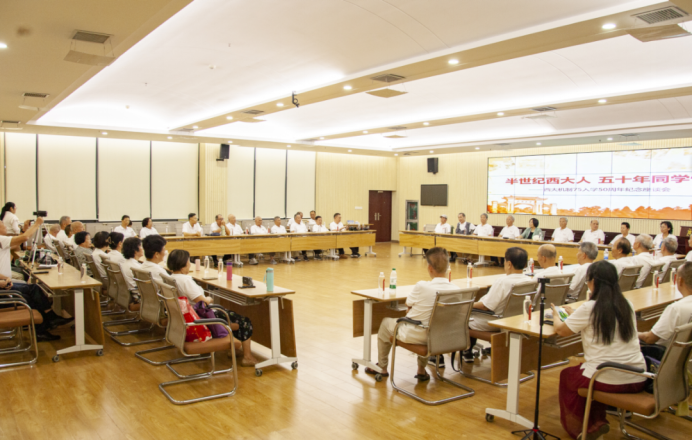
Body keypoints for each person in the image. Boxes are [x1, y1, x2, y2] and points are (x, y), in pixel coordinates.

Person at [552, 261, 646, 440]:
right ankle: (596, 422)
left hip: (609, 378)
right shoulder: (627, 304)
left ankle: (584, 428)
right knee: (587, 373)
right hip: (638, 375)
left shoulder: (590, 308)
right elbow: (600, 317)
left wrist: (556, 316)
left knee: (568, 376)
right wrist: (576, 314)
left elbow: (561, 330)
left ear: (593, 281)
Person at [365, 248, 459, 380]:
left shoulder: (422, 286)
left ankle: (382, 367)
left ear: (429, 268)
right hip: (444, 335)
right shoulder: (457, 290)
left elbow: (408, 303)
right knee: (429, 321)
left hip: (420, 335)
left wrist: (411, 309)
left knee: (386, 323)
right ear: (448, 266)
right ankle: (421, 369)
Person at [167, 249, 258, 367]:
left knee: (230, 315)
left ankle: (233, 351)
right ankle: (247, 357)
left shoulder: (171, 278)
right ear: (183, 263)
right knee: (244, 322)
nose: (190, 263)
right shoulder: (185, 281)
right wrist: (209, 299)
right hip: (200, 317)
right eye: (188, 261)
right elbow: (203, 302)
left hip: (188, 316)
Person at [0, 216, 71, 341]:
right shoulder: (1, 239)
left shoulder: (3, 240)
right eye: (2, 224)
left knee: (33, 291)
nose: (5, 226)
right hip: (3, 292)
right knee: (32, 293)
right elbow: (24, 238)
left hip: (4, 284)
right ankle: (45, 323)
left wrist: (3, 278)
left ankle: (46, 323)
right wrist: (37, 224)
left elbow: (18, 243)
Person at [461, 247, 529, 362]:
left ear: (509, 264)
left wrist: (468, 305)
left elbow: (486, 306)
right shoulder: (529, 280)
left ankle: (467, 350)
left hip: (496, 320)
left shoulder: (503, 282)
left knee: (463, 318)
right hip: (515, 320)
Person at [639, 262, 691, 347]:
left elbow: (649, 339)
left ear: (680, 280)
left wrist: (635, 334)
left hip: (664, 351)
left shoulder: (676, 309)